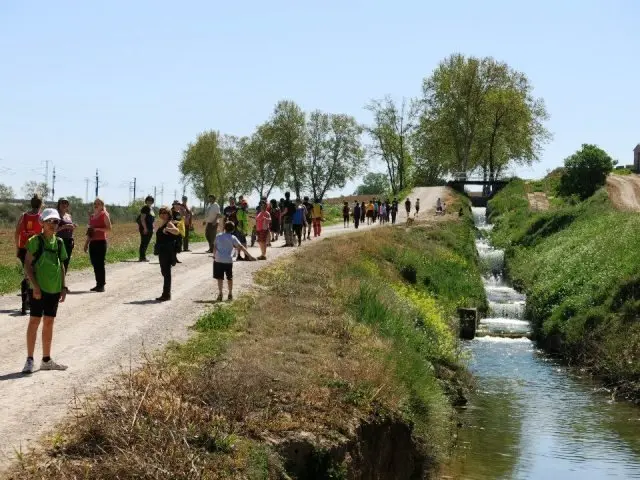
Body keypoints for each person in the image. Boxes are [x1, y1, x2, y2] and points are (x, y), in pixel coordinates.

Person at [21, 208, 68, 373]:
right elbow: (27, 264)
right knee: (34, 321)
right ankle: (29, 359)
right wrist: (35, 286)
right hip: (38, 289)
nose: (54, 224)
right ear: (42, 223)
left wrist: (63, 287)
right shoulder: (35, 241)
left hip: (54, 290)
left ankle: (46, 360)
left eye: (56, 221)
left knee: (49, 321)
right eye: (50, 221)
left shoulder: (60, 242)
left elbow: (61, 264)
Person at [15, 195, 43, 314]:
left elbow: (17, 233)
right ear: (41, 204)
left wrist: (17, 247)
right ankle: (32, 302)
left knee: (26, 274)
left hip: (23, 248)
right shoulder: (41, 217)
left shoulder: (23, 216)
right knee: (35, 275)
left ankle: (24, 303)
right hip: (35, 249)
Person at [214, 221, 254, 302]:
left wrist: (214, 256)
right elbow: (241, 247)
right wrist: (250, 256)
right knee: (229, 277)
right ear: (233, 230)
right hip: (228, 260)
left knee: (220, 278)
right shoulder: (233, 237)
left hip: (218, 260)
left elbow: (214, 247)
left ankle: (220, 293)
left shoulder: (218, 236)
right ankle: (230, 294)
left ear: (224, 228)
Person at [84, 198, 111, 292]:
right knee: (94, 263)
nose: (96, 205)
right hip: (92, 242)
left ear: (102, 205)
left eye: (98, 203)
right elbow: (90, 231)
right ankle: (98, 284)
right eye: (95, 203)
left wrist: (98, 229)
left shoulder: (104, 215)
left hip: (101, 242)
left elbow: (109, 229)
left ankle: (102, 285)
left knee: (100, 263)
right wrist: (86, 243)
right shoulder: (92, 216)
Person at [154, 206, 180, 302]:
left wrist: (168, 230)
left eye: (165, 212)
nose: (163, 214)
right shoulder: (163, 223)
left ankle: (166, 294)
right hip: (162, 250)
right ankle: (166, 294)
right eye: (161, 212)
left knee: (166, 273)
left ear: (169, 214)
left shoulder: (169, 223)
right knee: (164, 272)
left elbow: (177, 232)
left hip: (167, 251)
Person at [56, 198, 77, 275]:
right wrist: (65, 226)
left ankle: (63, 281)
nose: (64, 205)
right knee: (59, 261)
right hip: (60, 241)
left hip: (69, 240)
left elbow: (70, 228)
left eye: (66, 203)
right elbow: (54, 230)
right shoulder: (56, 215)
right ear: (59, 204)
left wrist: (72, 226)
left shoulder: (69, 215)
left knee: (66, 261)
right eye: (62, 203)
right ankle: (57, 281)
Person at [137, 195, 155, 262]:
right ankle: (142, 257)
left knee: (146, 243)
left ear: (152, 201)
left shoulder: (151, 208)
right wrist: (145, 228)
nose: (149, 201)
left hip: (150, 228)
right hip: (145, 228)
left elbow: (152, 219)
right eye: (148, 200)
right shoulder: (145, 208)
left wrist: (153, 227)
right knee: (144, 242)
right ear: (146, 201)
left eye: (151, 200)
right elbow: (142, 219)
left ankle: (143, 256)